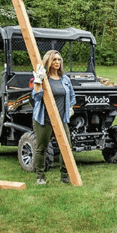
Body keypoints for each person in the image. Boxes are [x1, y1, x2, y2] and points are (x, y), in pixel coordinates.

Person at [31, 50, 76, 185]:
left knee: (66, 148)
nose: (57, 62)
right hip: (44, 119)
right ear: (49, 62)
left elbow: (72, 96)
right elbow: (37, 97)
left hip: (62, 119)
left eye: (59, 59)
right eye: (54, 60)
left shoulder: (65, 79)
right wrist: (38, 81)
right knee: (41, 148)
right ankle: (40, 176)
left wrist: (70, 109)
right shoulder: (44, 78)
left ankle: (65, 176)